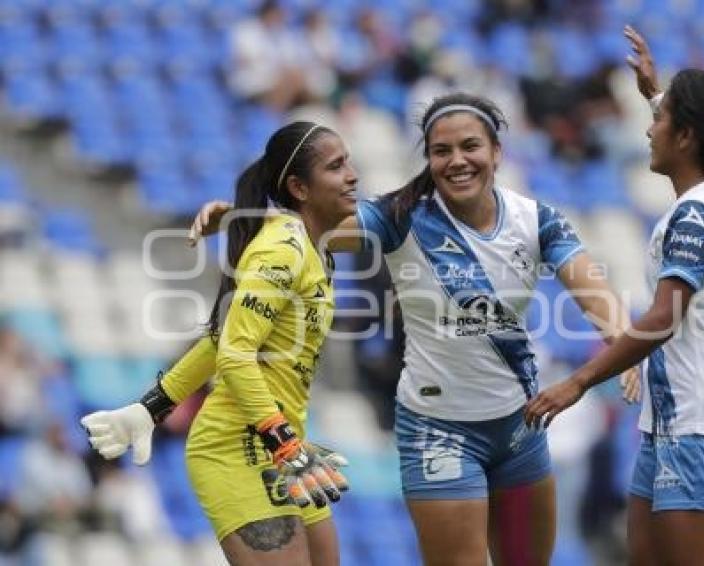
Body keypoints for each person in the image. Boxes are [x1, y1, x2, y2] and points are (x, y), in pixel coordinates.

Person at [189, 92, 640, 565]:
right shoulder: (399, 217)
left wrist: (622, 343)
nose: (457, 160)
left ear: (497, 153)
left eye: (471, 146)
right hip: (437, 431)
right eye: (441, 151)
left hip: (518, 429)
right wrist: (245, 219)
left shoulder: (538, 220)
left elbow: (595, 293)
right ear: (427, 159)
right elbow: (312, 231)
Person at [525, 26, 704, 566]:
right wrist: (655, 92)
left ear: (686, 137)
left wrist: (578, 381)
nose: (648, 130)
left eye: (659, 121)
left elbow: (664, 316)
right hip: (669, 424)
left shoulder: (698, 213)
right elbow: (697, 134)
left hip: (698, 426)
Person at [82, 121, 355, 566]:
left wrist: (152, 405)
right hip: (239, 446)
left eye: (349, 162)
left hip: (281, 444)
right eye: (337, 166)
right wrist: (284, 443)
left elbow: (220, 338)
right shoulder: (282, 250)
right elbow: (234, 352)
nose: (353, 175)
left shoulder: (311, 245)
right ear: (299, 188)